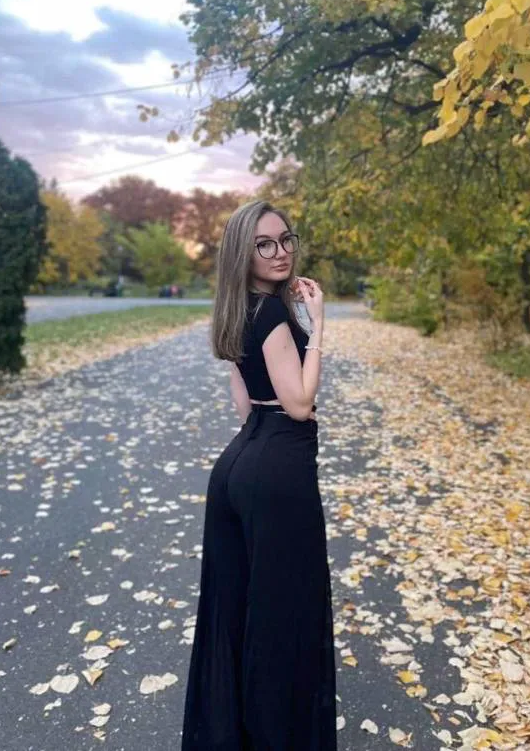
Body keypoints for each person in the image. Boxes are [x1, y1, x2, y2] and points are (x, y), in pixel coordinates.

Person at [181, 199, 337, 751]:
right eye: (264, 244)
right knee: (284, 620)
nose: (280, 252)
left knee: (234, 615)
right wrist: (317, 326)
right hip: (276, 473)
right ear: (242, 253)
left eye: (285, 239)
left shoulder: (239, 310)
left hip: (237, 467)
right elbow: (298, 403)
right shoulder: (270, 314)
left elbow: (246, 404)